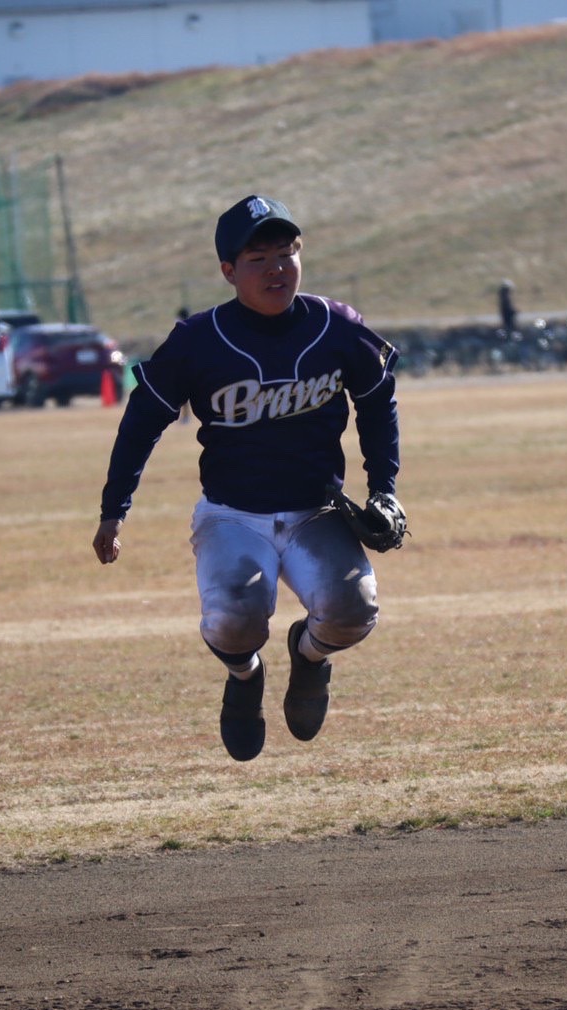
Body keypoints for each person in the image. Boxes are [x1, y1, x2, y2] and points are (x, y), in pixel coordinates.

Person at [91, 194, 403, 763]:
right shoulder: (199, 338)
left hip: (317, 510)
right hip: (232, 513)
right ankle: (244, 676)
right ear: (229, 271)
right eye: (258, 258)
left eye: (286, 252)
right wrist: (115, 508)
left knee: (355, 611)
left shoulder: (335, 326)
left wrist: (383, 485)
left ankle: (308, 658)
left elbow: (378, 399)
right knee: (235, 620)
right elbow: (143, 420)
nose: (277, 268)